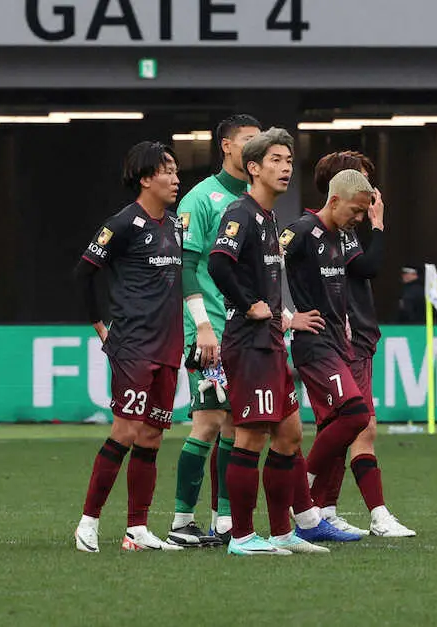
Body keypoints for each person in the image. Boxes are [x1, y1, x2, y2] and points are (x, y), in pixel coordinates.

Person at [208, 128, 360, 555]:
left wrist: (282, 318)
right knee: (251, 437)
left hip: (272, 341)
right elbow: (219, 263)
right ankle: (241, 537)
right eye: (275, 160)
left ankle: (281, 532)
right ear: (253, 168)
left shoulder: (269, 217)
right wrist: (249, 304)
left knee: (290, 434)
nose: (285, 168)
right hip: (249, 343)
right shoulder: (241, 212)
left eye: (289, 161)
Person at [285, 169, 418, 539]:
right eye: (356, 210)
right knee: (356, 416)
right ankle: (303, 491)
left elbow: (347, 283)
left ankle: (319, 511)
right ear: (334, 200)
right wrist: (286, 317)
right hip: (314, 344)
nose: (360, 218)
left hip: (337, 342)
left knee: (342, 423)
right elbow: (260, 266)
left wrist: (343, 322)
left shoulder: (336, 237)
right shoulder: (301, 230)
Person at [73, 141, 184, 552]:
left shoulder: (176, 225)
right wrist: (100, 325)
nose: (176, 179)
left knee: (152, 437)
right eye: (167, 171)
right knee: (125, 431)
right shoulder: (121, 224)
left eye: (175, 171)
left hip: (169, 345)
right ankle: (88, 523)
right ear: (146, 179)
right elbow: (84, 273)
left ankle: (137, 528)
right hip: (133, 344)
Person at [167, 113, 260, 547]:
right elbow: (186, 267)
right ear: (226, 145)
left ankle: (223, 520)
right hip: (208, 330)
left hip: (244, 329)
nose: (257, 148)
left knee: (234, 425)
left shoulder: (256, 200)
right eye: (249, 140)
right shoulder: (200, 199)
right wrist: (202, 325)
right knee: (208, 422)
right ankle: (180, 521)